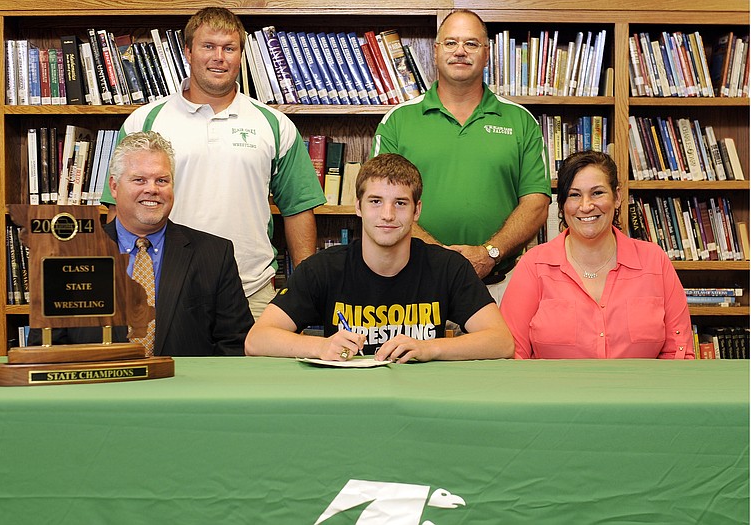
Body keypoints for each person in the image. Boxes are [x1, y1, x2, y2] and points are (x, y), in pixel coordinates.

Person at [100, 7, 326, 319]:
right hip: (160, 289)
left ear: (240, 55)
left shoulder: (274, 123)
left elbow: (298, 209)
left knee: (255, 369)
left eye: (229, 48)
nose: (219, 57)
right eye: (208, 46)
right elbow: (119, 207)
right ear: (188, 52)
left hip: (253, 291)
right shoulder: (144, 121)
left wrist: (304, 290)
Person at [245, 153, 514, 363]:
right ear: (358, 206)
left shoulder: (447, 267)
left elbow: (501, 341)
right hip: (347, 399)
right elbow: (256, 341)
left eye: (400, 203)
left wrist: (429, 348)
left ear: (416, 210)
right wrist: (321, 346)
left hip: (421, 397)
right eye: (375, 201)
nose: (387, 214)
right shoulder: (324, 268)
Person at [371, 9, 551, 303]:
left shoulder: (521, 121)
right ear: (436, 50)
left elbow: (536, 203)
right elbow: (377, 201)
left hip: (500, 286)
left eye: (471, 43)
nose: (460, 52)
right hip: (413, 283)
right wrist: (439, 257)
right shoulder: (398, 121)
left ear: (487, 53)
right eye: (451, 43)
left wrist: (488, 253)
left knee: (501, 351)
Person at [31, 131, 253, 356]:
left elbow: (234, 343)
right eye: (139, 180)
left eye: (162, 180)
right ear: (114, 187)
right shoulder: (68, 256)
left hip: (184, 387)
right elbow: (46, 348)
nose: (152, 189)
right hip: (99, 388)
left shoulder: (214, 254)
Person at [500, 151, 694, 359]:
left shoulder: (654, 261)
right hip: (555, 391)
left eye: (597, 193)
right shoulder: (534, 265)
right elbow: (513, 355)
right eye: (575, 195)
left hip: (640, 391)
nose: (586, 206)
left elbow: (678, 353)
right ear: (563, 204)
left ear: (617, 197)